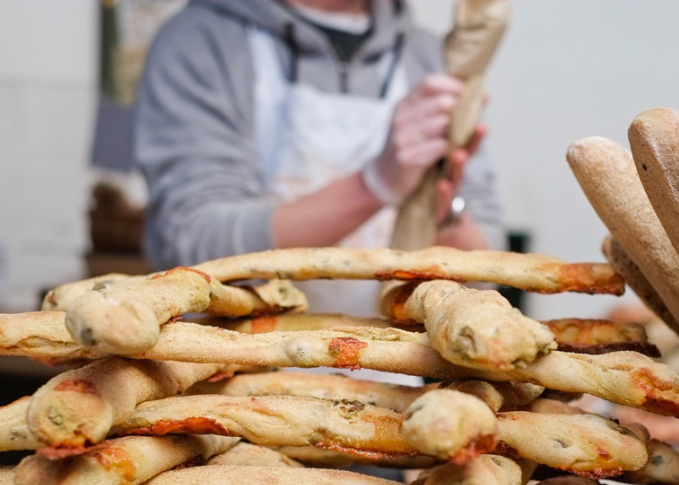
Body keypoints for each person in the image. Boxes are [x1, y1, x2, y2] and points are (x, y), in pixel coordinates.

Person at [132, 0, 505, 317]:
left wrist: (443, 215)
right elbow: (193, 248)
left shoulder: (431, 57)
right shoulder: (202, 41)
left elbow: (489, 270)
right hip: (227, 376)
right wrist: (375, 184)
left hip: (394, 380)